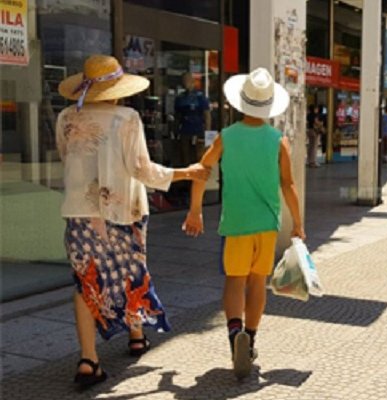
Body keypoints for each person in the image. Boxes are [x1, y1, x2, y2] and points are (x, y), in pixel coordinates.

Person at [56, 55, 209, 389]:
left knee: (87, 283)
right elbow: (142, 169)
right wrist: (185, 172)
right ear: (118, 88)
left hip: (80, 213)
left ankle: (88, 360)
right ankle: (137, 337)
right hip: (123, 211)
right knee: (131, 272)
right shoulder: (127, 117)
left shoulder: (66, 116)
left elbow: (66, 157)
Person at [182, 68, 305, 380]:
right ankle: (249, 338)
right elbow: (288, 185)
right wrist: (298, 224)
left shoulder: (227, 137)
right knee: (257, 281)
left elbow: (201, 169)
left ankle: (234, 331)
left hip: (235, 223)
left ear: (240, 104)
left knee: (234, 280)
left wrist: (195, 210)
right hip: (266, 224)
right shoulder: (279, 141)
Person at [174, 72, 211, 167]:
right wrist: (175, 131)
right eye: (184, 81)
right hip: (185, 130)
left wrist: (208, 135)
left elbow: (207, 116)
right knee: (186, 156)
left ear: (192, 81)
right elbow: (177, 116)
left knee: (199, 156)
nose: (185, 83)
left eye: (188, 80)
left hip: (198, 129)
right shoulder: (180, 98)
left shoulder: (200, 97)